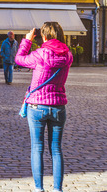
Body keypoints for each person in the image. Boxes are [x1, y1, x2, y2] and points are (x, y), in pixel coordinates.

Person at [15, 22, 74, 192]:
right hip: (58, 106)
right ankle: (57, 189)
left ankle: (39, 189)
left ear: (45, 36)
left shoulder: (40, 54)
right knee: (56, 149)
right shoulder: (68, 56)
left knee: (37, 148)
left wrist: (27, 41)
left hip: (37, 106)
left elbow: (19, 60)